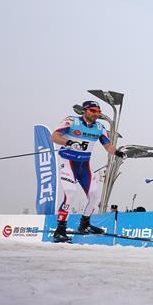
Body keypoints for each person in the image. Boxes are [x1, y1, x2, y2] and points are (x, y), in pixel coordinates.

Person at [50, 100, 125, 242]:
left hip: (84, 165)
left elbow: (108, 146)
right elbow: (54, 137)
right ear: (84, 111)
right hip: (68, 162)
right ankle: (60, 230)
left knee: (94, 195)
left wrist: (118, 153)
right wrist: (69, 142)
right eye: (93, 111)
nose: (96, 114)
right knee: (71, 193)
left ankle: (84, 224)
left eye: (98, 111)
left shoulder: (99, 127)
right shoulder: (71, 121)